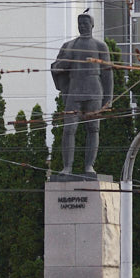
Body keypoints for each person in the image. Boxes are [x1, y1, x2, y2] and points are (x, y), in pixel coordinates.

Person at [50, 12, 113, 178]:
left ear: (92, 25)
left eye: (86, 23)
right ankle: (67, 167)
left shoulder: (100, 46)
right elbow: (56, 67)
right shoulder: (69, 45)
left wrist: (109, 98)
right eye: (80, 23)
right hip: (74, 90)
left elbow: (107, 73)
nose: (82, 26)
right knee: (69, 129)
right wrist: (66, 63)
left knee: (93, 128)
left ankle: (89, 166)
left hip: (94, 91)